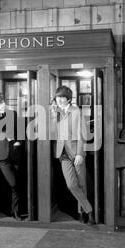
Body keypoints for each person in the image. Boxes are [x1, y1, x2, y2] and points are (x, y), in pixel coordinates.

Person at [51, 85, 95, 225]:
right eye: (58, 97)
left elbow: (82, 133)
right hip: (62, 153)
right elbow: (51, 132)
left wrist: (80, 154)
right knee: (71, 184)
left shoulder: (76, 111)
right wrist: (52, 114)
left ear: (69, 99)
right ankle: (89, 210)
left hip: (76, 152)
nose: (60, 100)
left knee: (81, 184)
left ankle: (82, 213)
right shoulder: (55, 112)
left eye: (62, 97)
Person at [0, 92, 23, 221]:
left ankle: (15, 211)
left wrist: (19, 142)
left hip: (15, 152)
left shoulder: (12, 114)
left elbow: (20, 132)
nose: (2, 104)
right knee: (12, 183)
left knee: (17, 183)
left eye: (3, 102)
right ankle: (13, 211)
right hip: (1, 156)